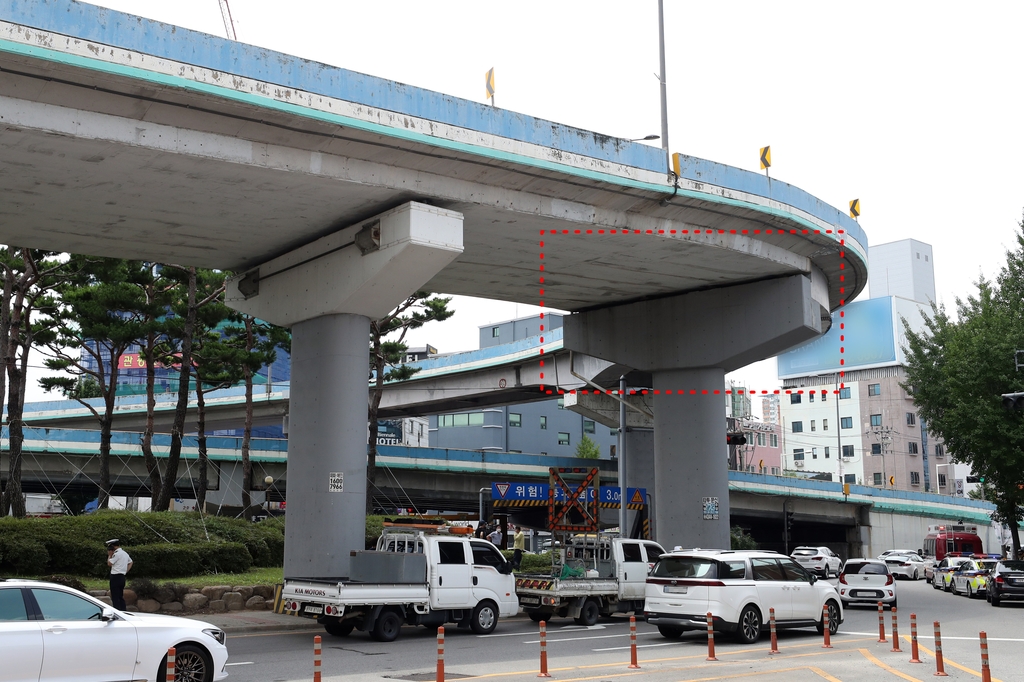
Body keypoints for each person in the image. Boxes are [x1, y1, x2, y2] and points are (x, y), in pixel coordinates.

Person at [105, 539, 133, 610]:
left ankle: (117, 612)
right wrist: (125, 571)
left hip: (115, 577)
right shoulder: (124, 553)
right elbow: (130, 562)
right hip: (122, 577)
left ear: (113, 546)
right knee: (120, 596)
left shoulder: (116, 554)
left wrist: (110, 555)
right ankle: (123, 611)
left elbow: (109, 563)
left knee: (115, 596)